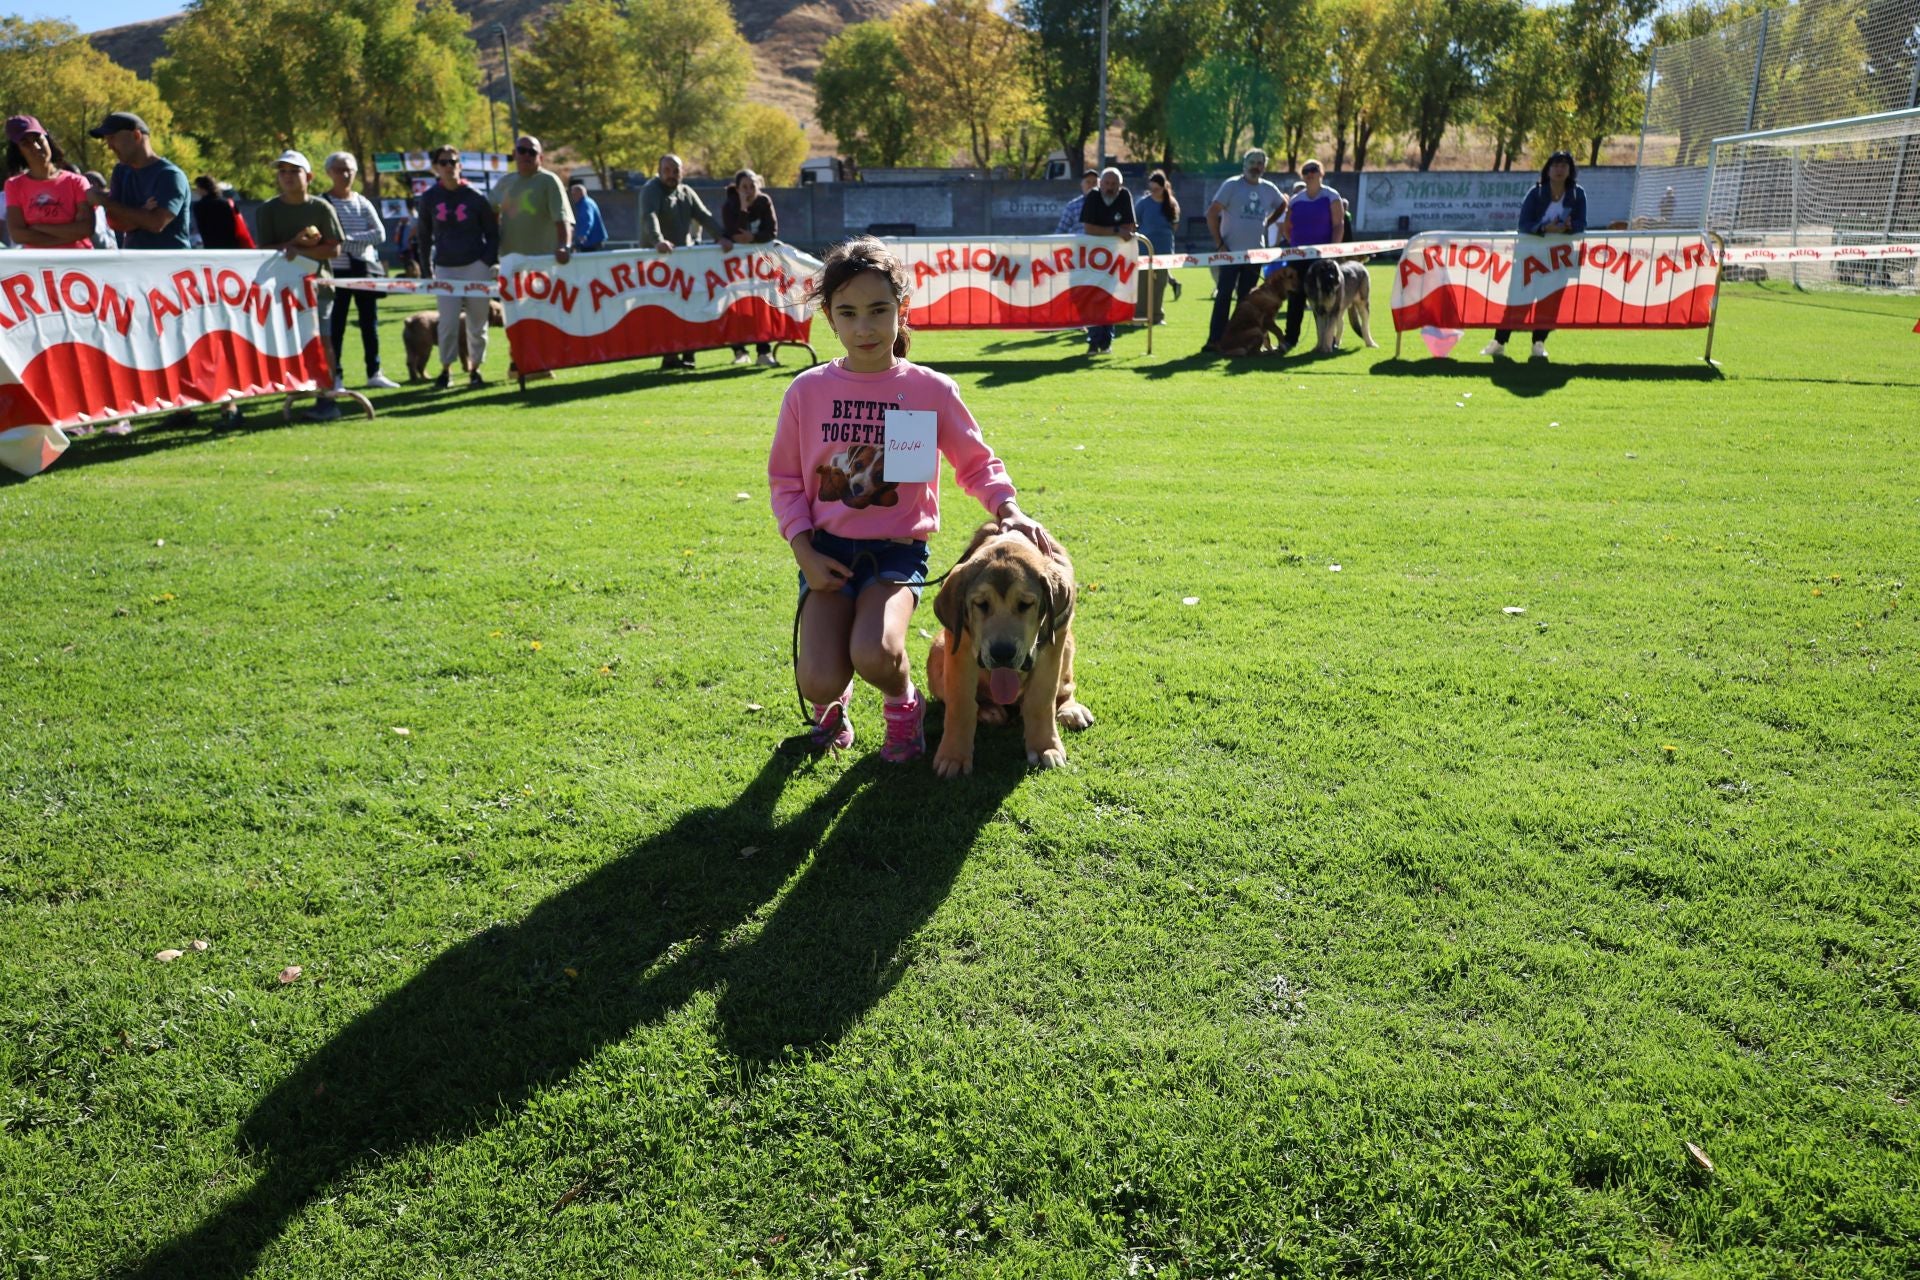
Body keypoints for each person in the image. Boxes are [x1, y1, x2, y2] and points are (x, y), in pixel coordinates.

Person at [769, 236, 1055, 764]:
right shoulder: (806, 391)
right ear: (829, 318)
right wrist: (804, 552)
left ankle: (903, 706)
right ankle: (833, 707)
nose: (865, 327)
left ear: (902, 310)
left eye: (878, 310)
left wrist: (1007, 507)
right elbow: (785, 481)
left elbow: (976, 463)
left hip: (896, 555)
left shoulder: (929, 390)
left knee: (875, 652)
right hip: (825, 553)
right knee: (818, 680)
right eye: (848, 313)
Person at [254, 151, 347, 422]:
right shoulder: (267, 210)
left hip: (318, 288)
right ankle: (295, 391)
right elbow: (264, 250)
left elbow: (334, 249)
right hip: (280, 291)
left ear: (309, 177)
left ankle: (328, 398)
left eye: (294, 171)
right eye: (282, 171)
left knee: (322, 340)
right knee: (288, 343)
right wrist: (292, 244)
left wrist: (301, 250)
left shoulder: (321, 208)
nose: (287, 176)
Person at [1483, 149, 1586, 362]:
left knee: (1549, 302)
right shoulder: (1536, 193)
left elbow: (1581, 224)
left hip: (1559, 258)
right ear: (1548, 170)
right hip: (1529, 256)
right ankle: (1499, 342)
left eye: (1564, 165)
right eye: (1555, 165)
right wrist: (1545, 228)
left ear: (1570, 170)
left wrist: (1568, 228)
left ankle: (1538, 344)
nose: (1559, 169)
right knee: (1517, 299)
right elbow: (1524, 224)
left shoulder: (1578, 194)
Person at [416, 144, 500, 390]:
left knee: (477, 323)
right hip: (446, 267)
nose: (449, 167)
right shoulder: (429, 198)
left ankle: (475, 369)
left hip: (475, 265)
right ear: (436, 168)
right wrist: (426, 269)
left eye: (453, 162)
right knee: (448, 323)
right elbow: (424, 236)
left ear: (460, 166)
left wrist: (486, 261)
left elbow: (493, 233)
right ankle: (446, 370)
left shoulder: (475, 196)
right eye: (443, 162)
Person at [638, 153, 732, 369]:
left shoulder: (686, 192)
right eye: (667, 170)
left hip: (684, 263)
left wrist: (721, 237)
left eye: (676, 170)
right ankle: (669, 356)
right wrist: (658, 241)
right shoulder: (650, 190)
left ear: (682, 172)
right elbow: (649, 216)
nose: (671, 174)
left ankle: (689, 352)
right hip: (658, 265)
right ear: (659, 171)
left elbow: (704, 216)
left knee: (691, 306)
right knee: (665, 311)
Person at [321, 152, 398, 391]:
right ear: (329, 172)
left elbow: (379, 234)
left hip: (364, 271)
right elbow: (326, 238)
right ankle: (336, 375)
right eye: (339, 169)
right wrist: (351, 242)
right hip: (335, 273)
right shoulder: (323, 203)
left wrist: (346, 241)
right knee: (336, 327)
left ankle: (374, 372)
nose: (345, 175)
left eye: (349, 170)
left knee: (369, 324)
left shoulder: (362, 202)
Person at [1203, 148, 1284, 355]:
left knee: (1246, 302)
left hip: (1255, 254)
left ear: (1264, 167)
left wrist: (1268, 222)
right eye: (1252, 162)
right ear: (1244, 164)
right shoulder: (1231, 185)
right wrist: (1220, 244)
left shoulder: (1268, 189)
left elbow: (1283, 204)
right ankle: (1214, 340)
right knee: (1223, 296)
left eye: (1260, 163)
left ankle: (1236, 342)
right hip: (1230, 253)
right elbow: (1212, 214)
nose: (1256, 166)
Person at [86, 112, 190, 251]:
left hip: (170, 263)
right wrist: (143, 213)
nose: (109, 146)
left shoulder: (170, 175)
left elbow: (156, 223)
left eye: (112, 138)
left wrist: (106, 202)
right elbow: (114, 223)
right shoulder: (121, 171)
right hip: (133, 261)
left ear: (136, 136)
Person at [1277, 159, 1344, 354]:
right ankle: (1290, 340)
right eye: (1306, 171)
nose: (1310, 174)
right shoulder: (1296, 200)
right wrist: (1295, 246)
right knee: (1295, 299)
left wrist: (1332, 251)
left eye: (1313, 170)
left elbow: (1338, 225)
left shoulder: (1331, 196)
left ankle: (1327, 341)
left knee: (1324, 300)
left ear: (1321, 173)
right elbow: (1287, 228)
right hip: (1298, 258)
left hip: (1323, 259)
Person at [4, 117, 95, 250]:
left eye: (38, 139)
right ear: (18, 151)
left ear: (47, 140)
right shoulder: (14, 185)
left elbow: (86, 228)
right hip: (37, 262)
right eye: (26, 143)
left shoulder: (77, 182)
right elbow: (18, 235)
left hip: (77, 261)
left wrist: (39, 227)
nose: (36, 147)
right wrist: (70, 235)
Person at [721, 168, 780, 366]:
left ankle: (764, 351)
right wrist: (743, 207)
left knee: (761, 306)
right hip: (735, 268)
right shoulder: (729, 205)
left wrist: (754, 237)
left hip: (760, 267)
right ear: (737, 189)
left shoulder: (764, 201)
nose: (749, 190)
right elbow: (736, 233)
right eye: (744, 187)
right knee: (736, 307)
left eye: (752, 185)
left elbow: (771, 231)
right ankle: (739, 351)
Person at [1078, 167, 1136, 356]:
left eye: (1114, 184)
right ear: (1100, 183)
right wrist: (1116, 231)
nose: (1110, 187)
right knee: (1093, 298)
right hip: (1092, 257)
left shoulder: (1125, 196)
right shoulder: (1093, 197)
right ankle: (1094, 342)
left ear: (1120, 185)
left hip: (1115, 257)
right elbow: (1089, 228)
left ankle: (1106, 342)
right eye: (1107, 183)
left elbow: (1130, 227)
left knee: (1110, 298)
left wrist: (1110, 231)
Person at [491, 134, 572, 264]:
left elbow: (562, 219)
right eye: (522, 150)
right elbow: (490, 211)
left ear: (541, 158)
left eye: (532, 152)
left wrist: (564, 246)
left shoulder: (549, 181)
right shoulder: (504, 182)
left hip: (542, 262)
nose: (526, 155)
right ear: (514, 154)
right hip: (510, 262)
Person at [1134, 168, 1180, 322]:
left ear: (1163, 187)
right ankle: (1140, 315)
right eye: (1152, 189)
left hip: (1164, 249)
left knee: (1160, 283)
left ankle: (1157, 315)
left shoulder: (1172, 204)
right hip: (1144, 249)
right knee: (1142, 284)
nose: (1154, 192)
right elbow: (1135, 222)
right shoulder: (1143, 203)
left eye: (1157, 189)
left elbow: (1174, 225)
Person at [192, 175, 254, 249]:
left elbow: (202, 228)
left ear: (202, 189)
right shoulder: (228, 203)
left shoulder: (199, 206)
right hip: (232, 246)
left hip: (211, 246)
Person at [1054, 168, 1097, 234]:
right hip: (1078, 240)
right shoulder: (1073, 206)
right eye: (1088, 182)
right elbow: (1061, 230)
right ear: (1082, 184)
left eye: (1094, 182)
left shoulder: (1105, 204)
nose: (1091, 185)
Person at [569, 182, 606, 251]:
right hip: (592, 241)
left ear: (580, 193)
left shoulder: (585, 204)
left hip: (591, 242)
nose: (572, 197)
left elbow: (587, 220)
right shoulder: (586, 202)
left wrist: (582, 235)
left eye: (574, 194)